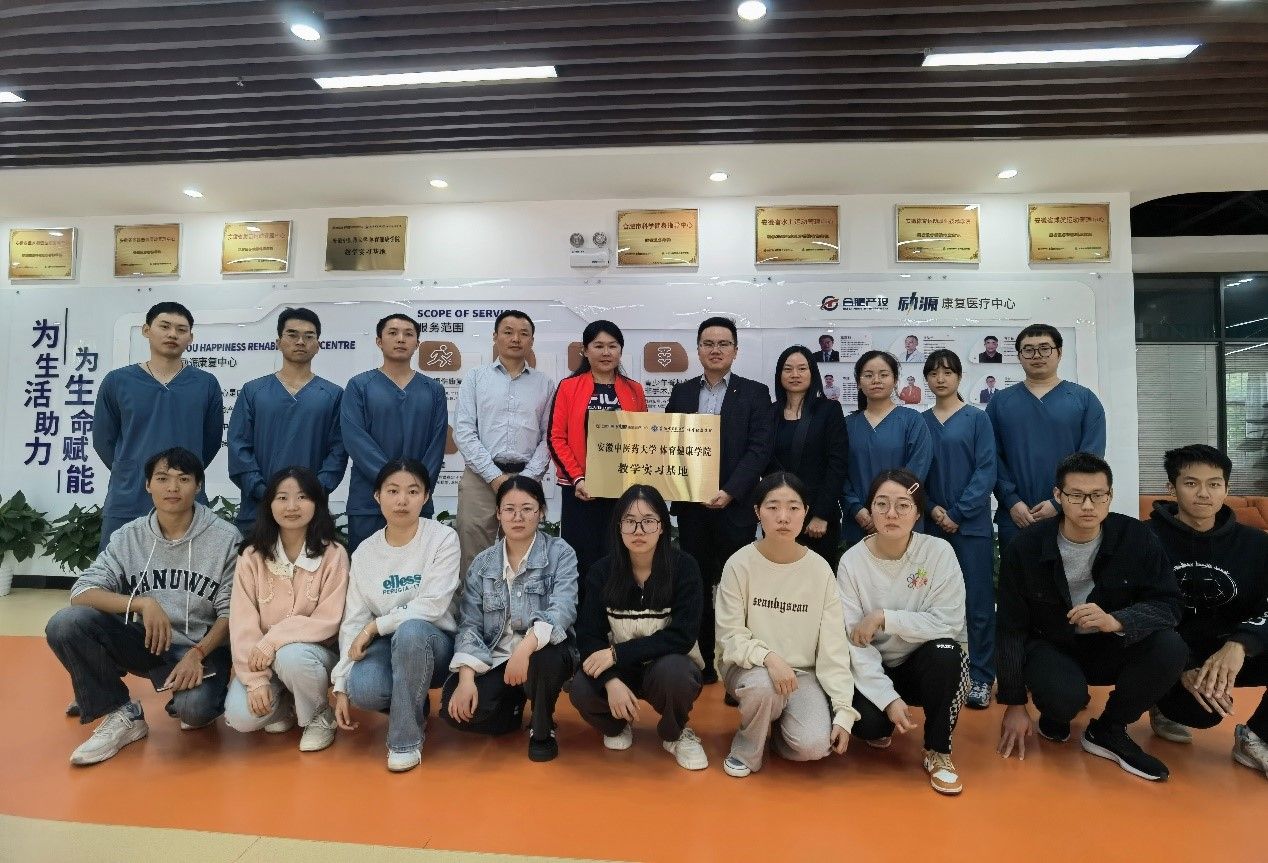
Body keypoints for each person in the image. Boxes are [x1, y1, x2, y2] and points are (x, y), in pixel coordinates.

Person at [996, 452, 1187, 782]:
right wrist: (1014, 704)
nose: (1088, 505)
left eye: (1098, 495)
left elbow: (1169, 604)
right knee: (1062, 699)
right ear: (1058, 496)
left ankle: (1109, 728)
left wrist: (1118, 621)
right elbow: (1010, 627)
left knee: (1170, 647)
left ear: (1110, 495)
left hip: (1111, 644)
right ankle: (1057, 712)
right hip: (1052, 646)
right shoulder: (1026, 547)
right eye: (1076, 495)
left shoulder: (1135, 537)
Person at [45, 447, 239, 766]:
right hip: (149, 641)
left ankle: (184, 696)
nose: (172, 488)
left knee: (195, 712)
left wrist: (197, 653)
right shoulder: (129, 537)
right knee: (66, 623)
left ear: (199, 486)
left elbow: (230, 613)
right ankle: (119, 710)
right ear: (148, 485)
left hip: (202, 648)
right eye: (162, 479)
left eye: (183, 479)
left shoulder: (225, 538)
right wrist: (142, 603)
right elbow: (82, 591)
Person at [715, 472, 857, 777]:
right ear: (757, 512)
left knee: (813, 747)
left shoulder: (819, 570)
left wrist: (843, 710)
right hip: (750, 669)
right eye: (773, 507)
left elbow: (832, 647)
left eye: (793, 507)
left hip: (802, 675)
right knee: (764, 686)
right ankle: (746, 749)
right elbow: (730, 636)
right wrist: (769, 658)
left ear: (806, 512)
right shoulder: (739, 564)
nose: (783, 517)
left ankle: (778, 728)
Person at [837, 469, 969, 795]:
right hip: (874, 667)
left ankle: (938, 750)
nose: (891, 514)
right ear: (870, 510)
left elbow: (949, 622)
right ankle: (882, 720)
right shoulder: (852, 562)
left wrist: (884, 618)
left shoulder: (938, 553)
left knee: (947, 653)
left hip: (921, 663)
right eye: (881, 504)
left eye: (902, 505)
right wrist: (887, 698)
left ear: (918, 512)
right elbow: (854, 642)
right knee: (870, 726)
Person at [330, 459, 461, 772]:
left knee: (411, 631)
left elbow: (432, 605)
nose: (402, 500)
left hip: (433, 644)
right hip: (386, 645)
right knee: (364, 688)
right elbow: (354, 621)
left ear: (426, 496)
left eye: (412, 491)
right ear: (377, 496)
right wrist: (341, 683)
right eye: (392, 491)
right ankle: (412, 701)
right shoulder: (365, 553)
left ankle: (405, 742)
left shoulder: (442, 538)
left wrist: (375, 626)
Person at [1146, 445, 1268, 776]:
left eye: (1214, 484)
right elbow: (1135, 610)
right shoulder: (1143, 539)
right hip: (1169, 655)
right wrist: (1181, 666)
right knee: (1201, 714)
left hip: (1227, 653)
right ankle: (1159, 699)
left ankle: (1256, 737)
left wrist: (1241, 644)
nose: (1204, 493)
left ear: (1226, 489)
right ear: (1171, 488)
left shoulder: (1257, 545)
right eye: (1191, 483)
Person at [569, 485, 708, 770]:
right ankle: (617, 724)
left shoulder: (685, 568)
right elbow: (588, 635)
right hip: (620, 669)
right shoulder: (602, 571)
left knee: (677, 674)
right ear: (618, 527)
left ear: (662, 526)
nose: (639, 530)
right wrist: (611, 680)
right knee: (581, 687)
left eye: (648, 521)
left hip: (665, 667)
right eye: (630, 521)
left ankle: (675, 733)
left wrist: (617, 654)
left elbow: (682, 636)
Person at [666, 316, 774, 682]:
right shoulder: (681, 393)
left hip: (735, 507)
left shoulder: (755, 393)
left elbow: (759, 450)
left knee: (735, 588)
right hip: (692, 509)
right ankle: (702, 662)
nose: (716, 350)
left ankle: (735, 664)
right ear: (698, 350)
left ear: (735, 351)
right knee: (695, 583)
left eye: (723, 343)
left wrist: (730, 491)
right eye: (708, 343)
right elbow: (670, 446)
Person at [443, 476, 579, 762]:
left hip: (543, 653)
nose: (518, 517)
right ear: (498, 514)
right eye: (509, 509)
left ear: (541, 512)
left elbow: (563, 610)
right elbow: (470, 624)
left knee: (544, 660)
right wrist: (466, 678)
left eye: (527, 509)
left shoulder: (560, 553)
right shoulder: (483, 563)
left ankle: (542, 728)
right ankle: (513, 703)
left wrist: (525, 649)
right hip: (497, 657)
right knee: (460, 713)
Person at [224, 467, 348, 753]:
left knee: (291, 656)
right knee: (240, 717)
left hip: (314, 657)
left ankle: (319, 715)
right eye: (282, 498)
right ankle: (288, 707)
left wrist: (274, 639)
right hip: (261, 661)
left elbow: (329, 620)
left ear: (316, 504)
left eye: (302, 497)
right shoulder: (251, 556)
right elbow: (242, 623)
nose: (292, 506)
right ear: (269, 504)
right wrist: (255, 681)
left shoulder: (333, 555)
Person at [93, 301, 223, 550]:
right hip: (129, 497)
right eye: (164, 326)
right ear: (146, 330)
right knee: (118, 566)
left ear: (190, 338)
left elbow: (211, 441)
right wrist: (132, 470)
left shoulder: (206, 384)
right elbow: (103, 439)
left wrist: (181, 475)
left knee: (188, 568)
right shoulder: (117, 382)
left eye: (181, 330)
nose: (173, 334)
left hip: (186, 499)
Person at [986, 323, 1106, 551]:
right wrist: (1011, 501)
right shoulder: (1000, 402)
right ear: (1019, 356)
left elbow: (1091, 458)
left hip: (1070, 514)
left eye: (1044, 348)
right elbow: (991, 457)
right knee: (1018, 573)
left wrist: (1059, 502)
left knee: (1071, 573)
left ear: (1059, 352)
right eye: (1028, 350)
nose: (1037, 355)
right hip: (1016, 516)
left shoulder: (1084, 400)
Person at [227, 307, 347, 535]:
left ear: (318, 345)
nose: (300, 341)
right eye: (292, 335)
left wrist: (312, 492)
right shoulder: (253, 391)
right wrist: (264, 492)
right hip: (259, 509)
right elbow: (239, 447)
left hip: (311, 511)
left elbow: (338, 452)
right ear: (278, 342)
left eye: (309, 336)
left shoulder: (333, 395)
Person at [922, 350, 998, 709]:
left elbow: (986, 470)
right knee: (928, 602)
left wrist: (957, 512)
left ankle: (982, 677)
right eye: (934, 373)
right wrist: (931, 508)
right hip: (930, 527)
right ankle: (932, 675)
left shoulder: (977, 419)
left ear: (959, 377)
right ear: (926, 378)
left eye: (948, 372)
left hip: (971, 528)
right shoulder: (919, 421)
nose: (941, 379)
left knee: (978, 605)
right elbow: (913, 473)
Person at [454, 309, 554, 575]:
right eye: (508, 332)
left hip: (526, 477)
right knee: (473, 553)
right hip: (480, 479)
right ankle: (474, 603)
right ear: (495, 336)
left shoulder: (545, 384)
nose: (515, 339)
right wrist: (494, 477)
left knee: (522, 552)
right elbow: (464, 431)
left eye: (523, 334)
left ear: (532, 341)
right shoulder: (475, 378)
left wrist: (528, 478)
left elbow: (549, 436)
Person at [548, 320, 647, 581]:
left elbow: (643, 439)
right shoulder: (569, 387)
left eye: (612, 346)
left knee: (621, 556)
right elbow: (556, 438)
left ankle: (618, 606)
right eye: (598, 346)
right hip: (581, 490)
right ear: (585, 350)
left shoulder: (635, 390)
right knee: (581, 559)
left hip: (622, 489)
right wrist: (578, 479)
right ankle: (582, 608)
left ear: (621, 350)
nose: (606, 352)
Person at [341, 314, 448, 551]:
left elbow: (436, 445)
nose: (401, 339)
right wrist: (394, 484)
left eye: (408, 334)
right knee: (366, 567)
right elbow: (355, 440)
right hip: (369, 501)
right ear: (379, 341)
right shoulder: (359, 386)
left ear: (417, 343)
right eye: (392, 333)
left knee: (416, 568)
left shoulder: (434, 390)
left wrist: (415, 488)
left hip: (416, 502)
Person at [766, 345, 848, 570]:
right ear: (779, 374)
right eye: (788, 369)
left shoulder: (829, 410)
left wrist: (821, 514)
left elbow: (837, 464)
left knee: (817, 579)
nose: (795, 374)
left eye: (802, 368)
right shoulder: (769, 413)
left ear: (813, 373)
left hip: (817, 520)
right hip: (778, 515)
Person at [842, 350, 932, 548]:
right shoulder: (847, 425)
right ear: (858, 382)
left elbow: (918, 470)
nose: (876, 380)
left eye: (883, 374)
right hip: (859, 522)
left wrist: (887, 511)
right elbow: (839, 473)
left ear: (895, 380)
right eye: (868, 375)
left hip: (903, 519)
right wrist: (857, 509)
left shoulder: (912, 421)